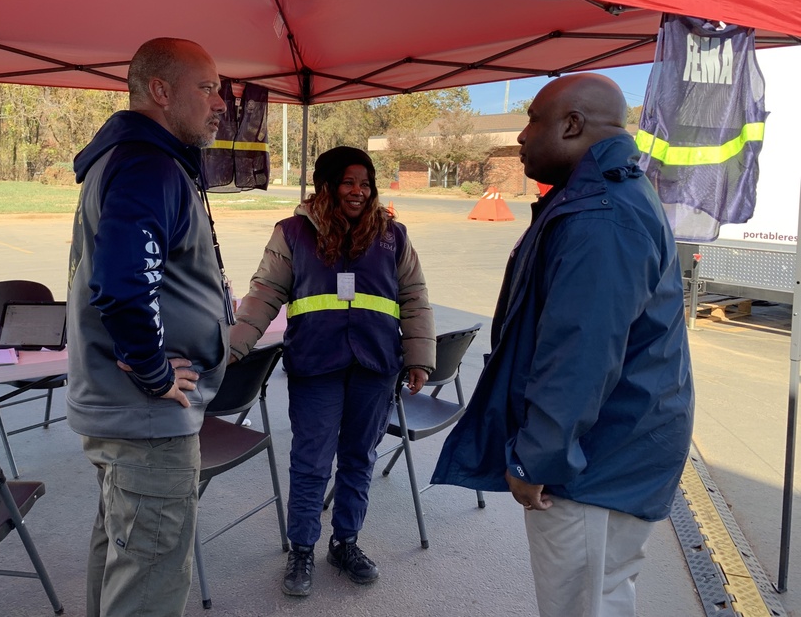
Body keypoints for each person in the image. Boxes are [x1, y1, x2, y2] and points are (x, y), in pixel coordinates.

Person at [432, 73, 694, 617]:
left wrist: (535, 460)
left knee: (584, 606)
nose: (523, 137)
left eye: (533, 121)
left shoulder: (602, 215)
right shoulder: (601, 198)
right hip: (602, 453)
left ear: (572, 125)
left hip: (594, 465)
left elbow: (580, 355)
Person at [66, 37, 232, 617]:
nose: (220, 104)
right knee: (150, 573)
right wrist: (153, 370)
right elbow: (123, 283)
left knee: (124, 547)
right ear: (160, 91)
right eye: (207, 88)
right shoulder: (147, 165)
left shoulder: (136, 160)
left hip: (125, 414)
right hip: (147, 419)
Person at [229, 146, 435, 598]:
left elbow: (415, 297)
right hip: (316, 365)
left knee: (360, 459)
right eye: (348, 182)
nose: (358, 191)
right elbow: (263, 294)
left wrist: (419, 357)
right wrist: (234, 347)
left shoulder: (393, 236)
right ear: (326, 186)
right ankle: (302, 547)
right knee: (311, 463)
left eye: (365, 183)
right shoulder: (293, 233)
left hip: (376, 365)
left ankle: (346, 543)